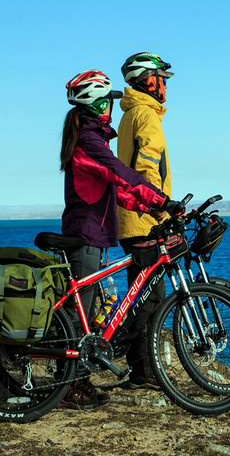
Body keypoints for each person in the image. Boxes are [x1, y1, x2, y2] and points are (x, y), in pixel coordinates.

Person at [60, 69, 179, 408]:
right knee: (77, 311)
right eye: (107, 101)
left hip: (93, 234)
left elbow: (114, 191)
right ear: (96, 103)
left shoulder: (89, 136)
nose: (110, 107)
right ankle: (69, 387)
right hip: (84, 234)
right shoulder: (89, 140)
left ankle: (76, 383)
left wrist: (148, 206)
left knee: (83, 309)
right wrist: (159, 200)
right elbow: (121, 173)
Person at [117, 52, 175, 389]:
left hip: (131, 218)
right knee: (150, 299)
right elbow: (148, 168)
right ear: (147, 79)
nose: (166, 85)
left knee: (141, 295)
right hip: (144, 219)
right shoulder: (146, 116)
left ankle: (141, 369)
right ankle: (145, 373)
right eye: (162, 78)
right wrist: (160, 208)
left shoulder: (130, 114)